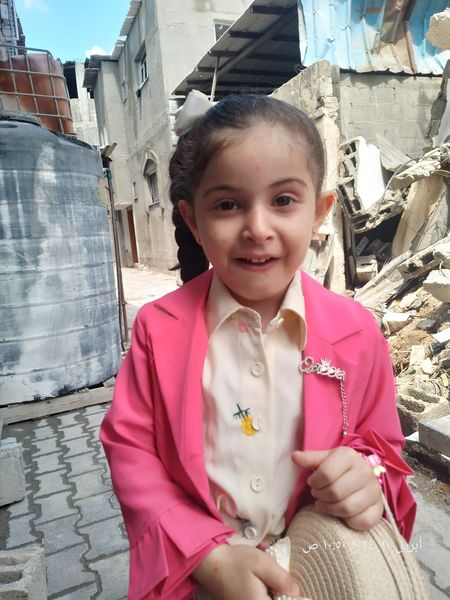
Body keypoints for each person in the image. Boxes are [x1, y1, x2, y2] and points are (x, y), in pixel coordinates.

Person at [100, 91, 416, 600]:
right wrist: (205, 555)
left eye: (283, 200)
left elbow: (381, 448)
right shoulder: (157, 330)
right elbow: (131, 450)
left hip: (315, 575)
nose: (258, 229)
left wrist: (366, 478)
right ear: (193, 221)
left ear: (320, 212)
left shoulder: (358, 333)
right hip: (200, 575)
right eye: (228, 205)